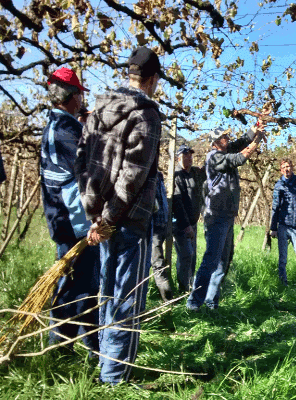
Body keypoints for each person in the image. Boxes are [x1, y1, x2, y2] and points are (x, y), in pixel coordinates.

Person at [75, 46, 162, 384]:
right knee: (127, 298)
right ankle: (115, 378)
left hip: (100, 220)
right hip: (126, 221)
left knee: (107, 292)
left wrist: (94, 211)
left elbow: (81, 160)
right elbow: (133, 175)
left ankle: (104, 367)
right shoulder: (146, 114)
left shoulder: (98, 109)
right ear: (152, 79)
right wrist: (109, 219)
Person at [40, 67, 100, 355]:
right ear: (71, 95)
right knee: (81, 285)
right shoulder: (66, 131)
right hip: (74, 222)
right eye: (79, 95)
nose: (81, 102)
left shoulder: (53, 127)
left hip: (61, 219)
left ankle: (76, 344)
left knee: (74, 282)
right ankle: (68, 346)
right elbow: (85, 176)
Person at [186, 125, 264, 311]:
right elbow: (239, 158)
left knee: (223, 262)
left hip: (227, 216)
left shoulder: (225, 151)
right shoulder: (214, 157)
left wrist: (255, 129)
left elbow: (240, 142)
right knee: (211, 260)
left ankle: (212, 304)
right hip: (216, 215)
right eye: (224, 137)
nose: (228, 139)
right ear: (215, 142)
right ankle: (194, 304)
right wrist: (257, 141)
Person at [269, 158, 296, 286]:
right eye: (283, 167)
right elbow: (275, 207)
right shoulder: (279, 185)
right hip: (282, 226)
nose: (286, 169)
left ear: (292, 168)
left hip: (295, 226)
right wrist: (273, 227)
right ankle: (283, 284)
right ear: (281, 170)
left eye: (288, 166)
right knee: (283, 259)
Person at [172, 144, 207, 292]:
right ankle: (182, 288)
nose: (189, 157)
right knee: (186, 254)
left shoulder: (195, 173)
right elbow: (177, 203)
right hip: (180, 224)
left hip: (192, 223)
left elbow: (209, 169)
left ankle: (189, 286)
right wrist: (186, 225)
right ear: (178, 158)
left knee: (192, 256)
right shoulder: (176, 176)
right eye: (185, 155)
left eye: (190, 155)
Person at [151, 171, 174, 302]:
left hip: (162, 226)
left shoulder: (158, 176)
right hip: (153, 228)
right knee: (158, 263)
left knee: (157, 262)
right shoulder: (148, 176)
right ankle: (168, 301)